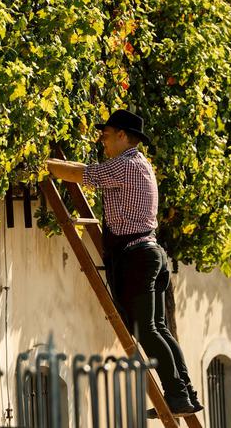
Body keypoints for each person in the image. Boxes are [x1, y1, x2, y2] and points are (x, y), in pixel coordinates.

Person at [45, 109, 204, 418]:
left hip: (137, 257)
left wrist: (45, 165)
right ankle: (184, 392)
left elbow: (83, 175)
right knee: (159, 328)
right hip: (150, 253)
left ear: (122, 136)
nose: (102, 142)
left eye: (106, 136)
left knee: (147, 331)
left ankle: (177, 395)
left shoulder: (125, 164)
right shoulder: (140, 164)